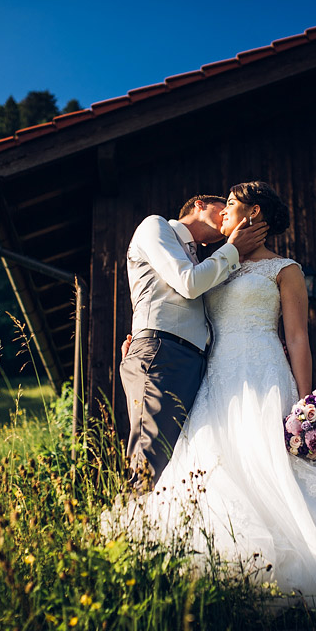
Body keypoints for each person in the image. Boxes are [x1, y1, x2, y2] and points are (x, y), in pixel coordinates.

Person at [115, 181, 316, 616]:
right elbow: (185, 298)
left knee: (276, 463)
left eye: (231, 206)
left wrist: (306, 403)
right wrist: (142, 333)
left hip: (264, 371)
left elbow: (298, 338)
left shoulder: (285, 269)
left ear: (253, 216)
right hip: (217, 376)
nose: (224, 215)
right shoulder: (214, 261)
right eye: (222, 205)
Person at [120, 194, 269, 490]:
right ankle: (128, 529)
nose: (228, 214)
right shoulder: (156, 227)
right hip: (162, 353)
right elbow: (187, 284)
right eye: (222, 207)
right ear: (199, 204)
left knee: (181, 460)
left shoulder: (201, 260)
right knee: (151, 457)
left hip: (193, 363)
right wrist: (232, 250)